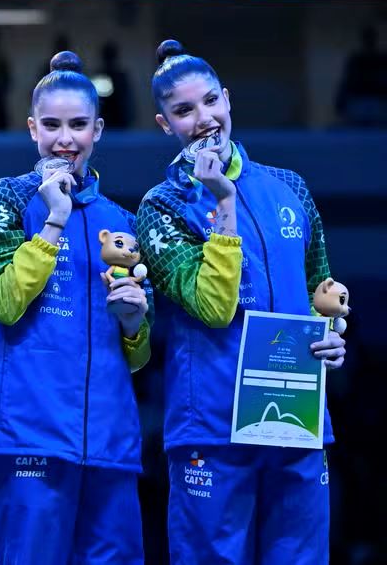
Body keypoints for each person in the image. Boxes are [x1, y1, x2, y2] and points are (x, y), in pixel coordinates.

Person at [136, 39, 347, 564]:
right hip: (212, 420)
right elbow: (212, 306)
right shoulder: (161, 207)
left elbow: (322, 290)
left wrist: (333, 336)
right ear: (165, 124)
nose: (203, 119)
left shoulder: (289, 187)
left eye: (210, 101)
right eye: (184, 111)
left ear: (227, 100)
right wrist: (224, 201)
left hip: (296, 416)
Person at [0, 51, 152, 564]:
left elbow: (137, 355)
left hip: (110, 439)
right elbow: (2, 304)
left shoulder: (124, 221)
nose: (64, 139)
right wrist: (54, 221)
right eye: (51, 125)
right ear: (31, 128)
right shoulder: (2, 201)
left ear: (99, 129)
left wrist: (135, 321)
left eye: (77, 125)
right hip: (28, 431)